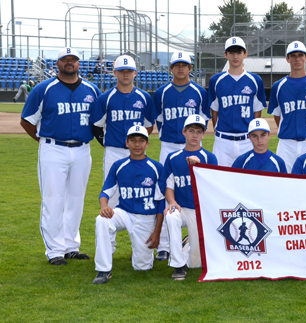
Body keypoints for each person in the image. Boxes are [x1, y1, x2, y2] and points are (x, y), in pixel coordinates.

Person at [20, 47, 101, 265]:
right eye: (64, 59)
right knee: (53, 199)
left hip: (83, 149)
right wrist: (43, 141)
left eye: (73, 59)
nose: (69, 62)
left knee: (76, 199)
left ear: (78, 63)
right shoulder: (43, 89)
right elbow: (27, 120)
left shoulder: (92, 89)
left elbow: (99, 121)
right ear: (57, 64)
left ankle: (71, 246)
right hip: (53, 148)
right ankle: (55, 251)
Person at [93, 125, 165, 284]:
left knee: (142, 267)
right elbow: (106, 191)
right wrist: (104, 205)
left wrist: (157, 232)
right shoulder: (119, 166)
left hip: (146, 218)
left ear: (147, 144)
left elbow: (160, 202)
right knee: (102, 220)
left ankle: (145, 254)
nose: (137, 145)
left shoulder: (157, 167)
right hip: (124, 213)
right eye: (133, 140)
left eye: (141, 141)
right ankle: (104, 269)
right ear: (127, 143)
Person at [91, 55, 156, 208]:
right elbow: (96, 126)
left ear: (135, 73)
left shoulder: (144, 97)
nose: (125, 74)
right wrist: (107, 143)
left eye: (129, 71)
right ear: (115, 73)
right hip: (113, 152)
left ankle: (139, 230)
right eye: (121, 71)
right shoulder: (105, 98)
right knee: (111, 195)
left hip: (138, 153)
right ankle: (109, 229)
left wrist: (139, 144)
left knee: (140, 192)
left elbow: (148, 126)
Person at [164, 114, 218, 280]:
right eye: (191, 131)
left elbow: (213, 186)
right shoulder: (173, 158)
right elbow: (168, 186)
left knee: (196, 263)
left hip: (200, 210)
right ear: (184, 132)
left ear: (203, 134)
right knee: (171, 216)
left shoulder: (210, 158)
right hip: (181, 208)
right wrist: (172, 202)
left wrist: (199, 166)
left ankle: (187, 245)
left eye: (199, 131)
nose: (195, 135)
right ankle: (178, 266)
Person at [268, 41, 306, 172]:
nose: (297, 59)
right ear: (287, 59)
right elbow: (277, 116)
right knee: (285, 182)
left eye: (301, 55)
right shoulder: (278, 86)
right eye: (293, 55)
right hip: (286, 144)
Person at [208, 36, 267, 167]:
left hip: (247, 140)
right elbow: (215, 110)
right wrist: (219, 131)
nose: (235, 56)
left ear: (245, 54)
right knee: (221, 179)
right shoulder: (216, 80)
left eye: (239, 52)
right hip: (223, 141)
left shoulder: (255, 80)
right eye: (231, 52)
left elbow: (257, 111)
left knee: (248, 179)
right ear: (226, 55)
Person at [155, 51, 210, 165]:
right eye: (177, 65)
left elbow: (204, 119)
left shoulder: (200, 92)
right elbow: (159, 120)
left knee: (193, 180)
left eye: (184, 65)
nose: (180, 68)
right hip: (168, 145)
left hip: (193, 146)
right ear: (171, 68)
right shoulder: (161, 92)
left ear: (190, 68)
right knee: (166, 181)